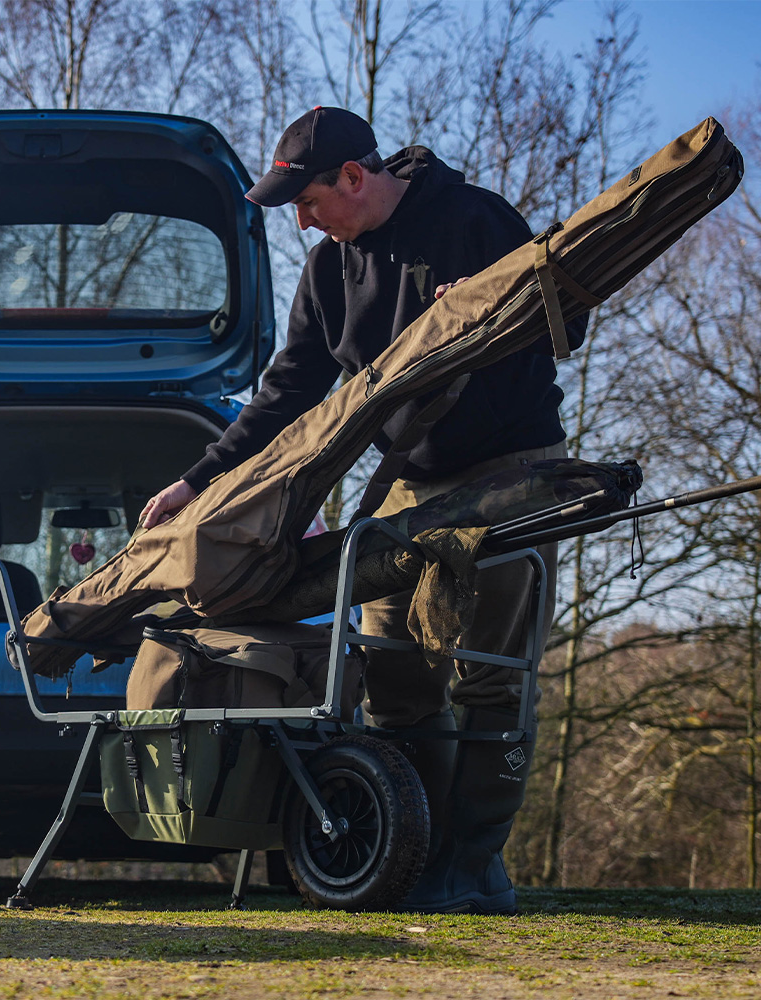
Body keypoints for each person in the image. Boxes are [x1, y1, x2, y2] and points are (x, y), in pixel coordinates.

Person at [140, 106, 586, 913]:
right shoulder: (326, 272)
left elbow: (568, 321)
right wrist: (198, 481)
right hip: (408, 488)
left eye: (308, 202)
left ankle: (473, 865)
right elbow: (286, 394)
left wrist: (484, 319)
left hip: (512, 472)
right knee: (393, 669)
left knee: (490, 672)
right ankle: (412, 858)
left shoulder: (474, 219)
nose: (304, 222)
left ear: (354, 176)